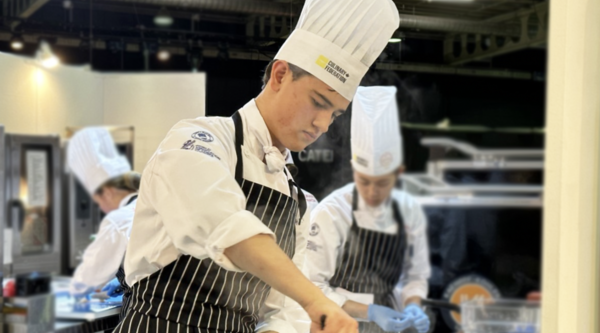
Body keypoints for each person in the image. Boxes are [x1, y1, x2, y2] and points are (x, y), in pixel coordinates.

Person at [114, 0, 400, 331]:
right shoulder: (199, 139)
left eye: (335, 114)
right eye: (318, 102)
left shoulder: (296, 202)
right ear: (280, 75)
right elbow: (223, 224)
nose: (323, 124)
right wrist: (315, 300)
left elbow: (283, 310)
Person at [306, 86, 431, 333]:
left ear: (398, 173)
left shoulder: (409, 210)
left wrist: (413, 306)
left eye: (383, 183)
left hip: (392, 324)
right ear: (354, 170)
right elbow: (312, 287)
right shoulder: (333, 212)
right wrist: (371, 312)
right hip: (338, 325)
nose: (372, 192)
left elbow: (415, 277)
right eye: (364, 181)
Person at [67, 127, 140, 315]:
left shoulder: (119, 219)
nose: (101, 209)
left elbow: (86, 280)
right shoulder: (150, 205)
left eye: (98, 202)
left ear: (108, 192)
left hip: (146, 317)